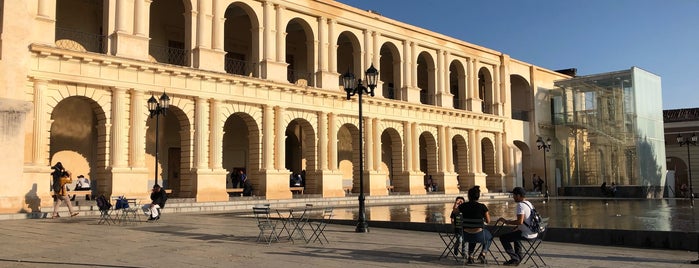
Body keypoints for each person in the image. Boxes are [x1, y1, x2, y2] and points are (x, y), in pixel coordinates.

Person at [497, 187, 537, 266]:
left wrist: (506, 221)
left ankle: (514, 258)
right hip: (534, 233)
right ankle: (519, 256)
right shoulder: (528, 203)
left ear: (518, 195)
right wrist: (517, 227)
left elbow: (520, 221)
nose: (513, 197)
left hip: (527, 234)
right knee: (515, 233)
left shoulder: (520, 205)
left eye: (514, 195)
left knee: (503, 238)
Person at [458, 186, 492, 264]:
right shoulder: (482, 206)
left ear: (469, 196)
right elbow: (488, 221)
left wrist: (458, 204)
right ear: (478, 196)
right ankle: (483, 253)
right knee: (489, 237)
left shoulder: (463, 206)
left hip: (466, 235)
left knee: (472, 235)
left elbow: (455, 212)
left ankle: (470, 256)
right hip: (480, 235)